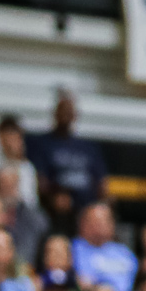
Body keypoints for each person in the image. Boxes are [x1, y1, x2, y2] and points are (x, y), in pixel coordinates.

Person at [28, 93, 107, 226]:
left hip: (87, 204)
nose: (66, 115)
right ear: (55, 114)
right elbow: (41, 180)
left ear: (75, 116)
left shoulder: (87, 147)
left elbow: (101, 181)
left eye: (69, 111)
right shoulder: (43, 144)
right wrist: (52, 197)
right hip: (57, 205)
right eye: (62, 111)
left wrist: (104, 202)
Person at [71, 204, 137, 291]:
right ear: (83, 224)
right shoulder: (71, 249)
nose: (100, 226)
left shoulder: (125, 253)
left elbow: (129, 286)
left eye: (105, 221)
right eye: (96, 221)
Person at [0, 168, 46, 271]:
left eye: (12, 185)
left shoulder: (32, 217)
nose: (8, 190)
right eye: (4, 186)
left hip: (29, 269)